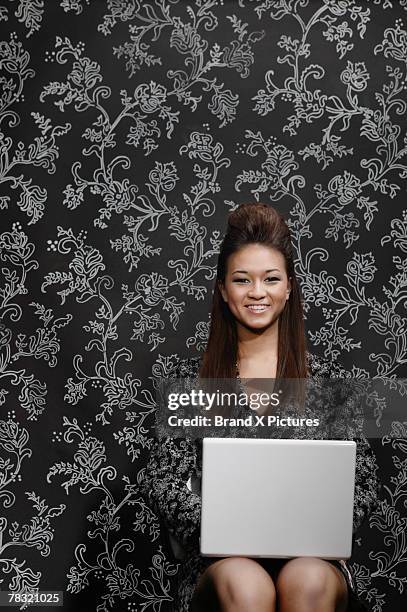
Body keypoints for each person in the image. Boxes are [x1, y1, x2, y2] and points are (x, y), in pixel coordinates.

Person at [139, 202, 381, 612]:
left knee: (309, 579)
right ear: (222, 289)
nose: (257, 292)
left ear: (288, 288)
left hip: (312, 557)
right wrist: (231, 526)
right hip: (219, 564)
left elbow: (364, 479)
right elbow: (163, 481)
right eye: (241, 280)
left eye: (270, 279)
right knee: (246, 583)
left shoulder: (327, 382)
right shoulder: (190, 383)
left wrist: (311, 526)